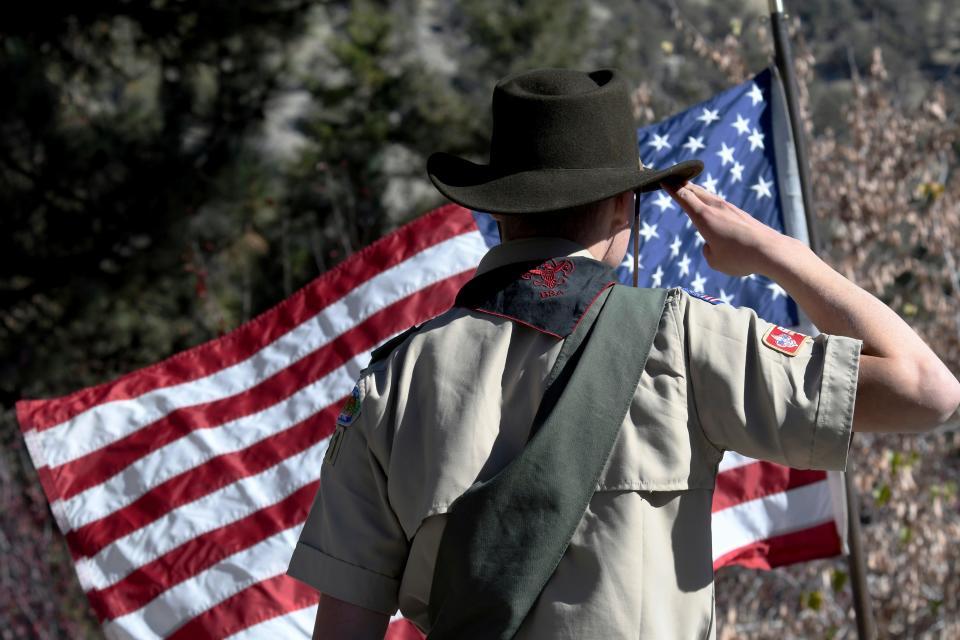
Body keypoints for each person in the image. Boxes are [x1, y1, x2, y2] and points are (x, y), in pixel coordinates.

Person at [286, 68, 960, 639]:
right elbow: (926, 389)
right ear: (623, 212)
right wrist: (776, 255)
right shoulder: (684, 338)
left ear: (501, 208)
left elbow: (345, 629)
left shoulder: (393, 382)